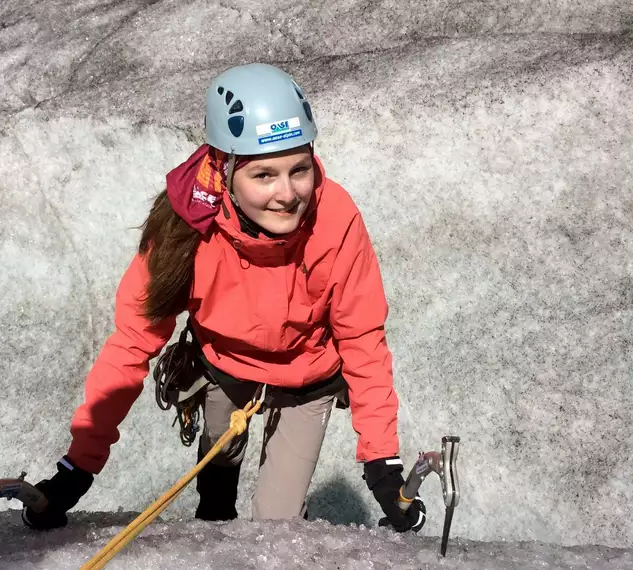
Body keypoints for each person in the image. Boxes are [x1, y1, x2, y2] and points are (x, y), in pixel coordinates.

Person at [22, 63, 426, 533]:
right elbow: (133, 342)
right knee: (218, 471)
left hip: (307, 377)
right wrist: (79, 466)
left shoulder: (335, 217)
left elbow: (362, 339)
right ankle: (214, 509)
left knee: (277, 528)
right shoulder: (185, 229)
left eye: (300, 169)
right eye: (264, 175)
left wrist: (381, 460)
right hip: (224, 364)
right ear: (223, 170)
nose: (288, 194)